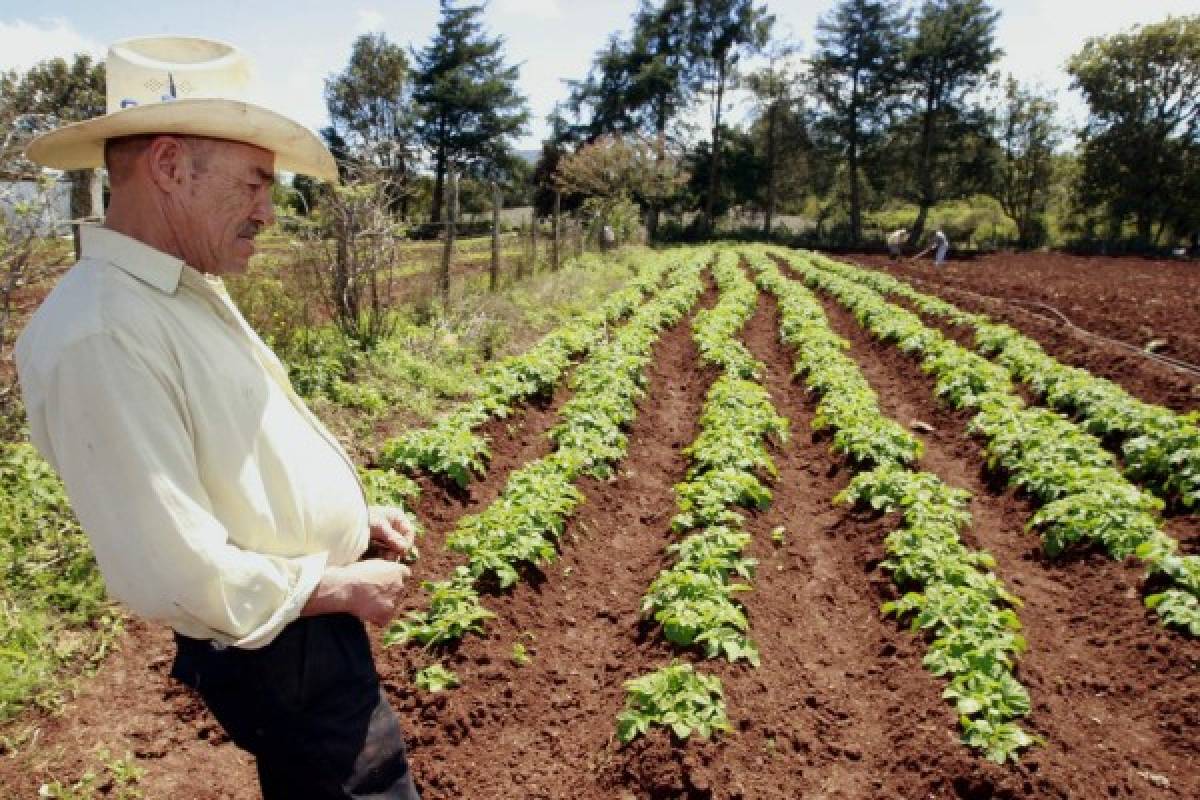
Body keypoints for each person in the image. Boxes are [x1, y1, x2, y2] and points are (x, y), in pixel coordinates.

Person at [16, 36, 421, 799]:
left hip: (298, 615)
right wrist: (335, 587)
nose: (269, 212)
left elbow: (234, 456)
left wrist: (350, 522)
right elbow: (173, 566)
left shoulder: (176, 289)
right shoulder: (100, 330)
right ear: (169, 166)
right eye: (255, 184)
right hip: (283, 641)